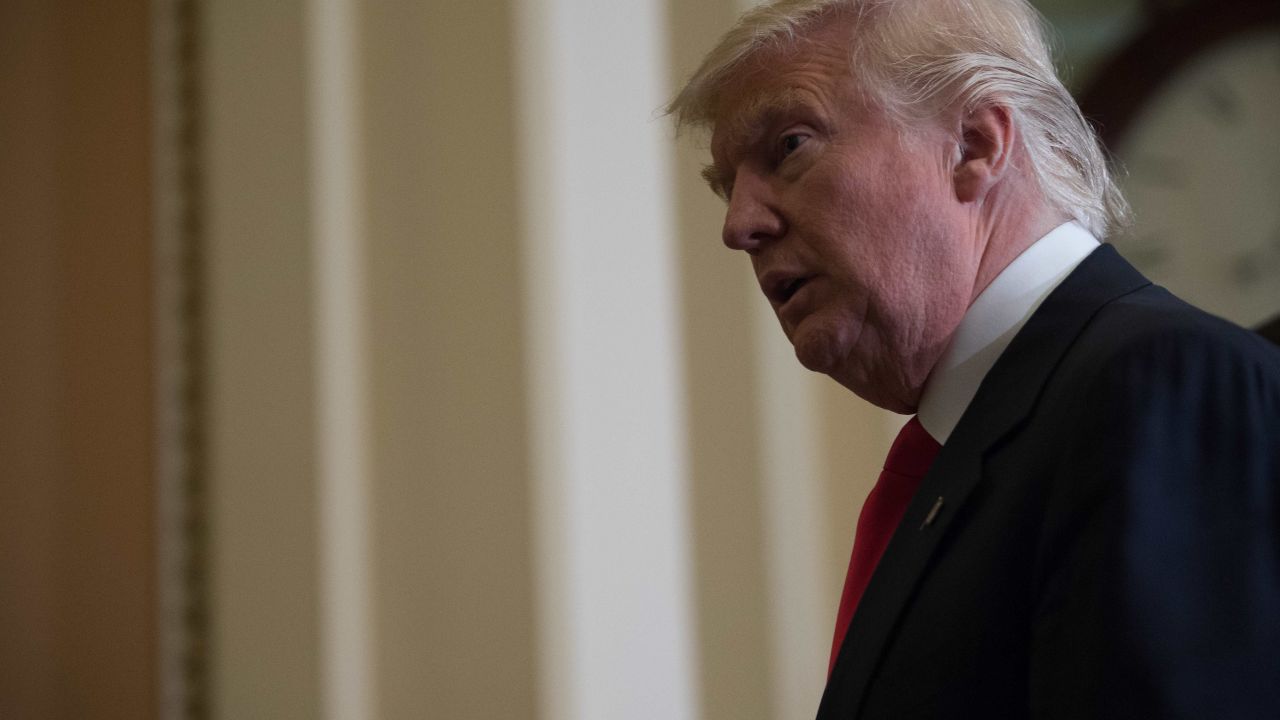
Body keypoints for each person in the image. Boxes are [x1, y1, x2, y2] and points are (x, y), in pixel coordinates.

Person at [668, 1, 1280, 718]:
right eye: (727, 185)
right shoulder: (972, 449)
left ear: (976, 144)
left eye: (790, 146)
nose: (739, 225)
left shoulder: (1161, 382)